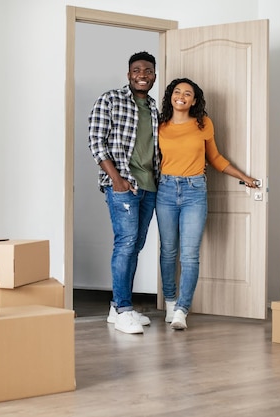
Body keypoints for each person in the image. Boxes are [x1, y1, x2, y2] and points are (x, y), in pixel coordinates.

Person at [157, 78, 259, 330]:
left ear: (194, 100)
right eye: (177, 91)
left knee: (190, 254)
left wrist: (244, 177)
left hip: (195, 191)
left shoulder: (203, 124)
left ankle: (182, 309)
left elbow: (215, 158)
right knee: (169, 252)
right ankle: (170, 302)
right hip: (166, 190)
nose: (181, 96)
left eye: (187, 93)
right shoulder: (159, 125)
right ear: (171, 96)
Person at [88, 51, 160, 335]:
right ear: (129, 73)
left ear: (154, 75)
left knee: (136, 245)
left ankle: (117, 306)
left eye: (148, 70)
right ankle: (123, 309)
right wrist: (116, 179)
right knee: (126, 244)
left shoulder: (155, 107)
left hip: (150, 186)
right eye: (137, 70)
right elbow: (96, 141)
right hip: (124, 185)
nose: (142, 74)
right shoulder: (110, 99)